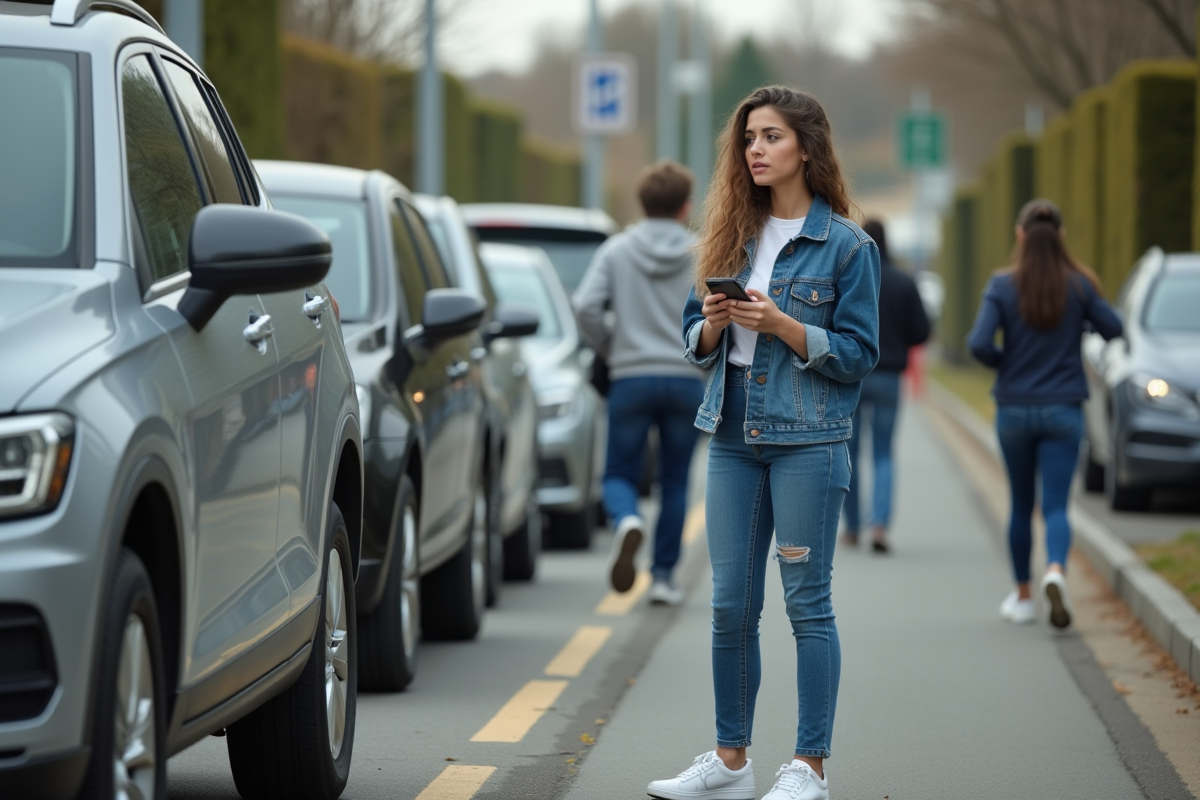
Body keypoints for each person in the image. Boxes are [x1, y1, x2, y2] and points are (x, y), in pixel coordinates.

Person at [647, 86, 879, 800]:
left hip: (809, 435)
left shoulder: (847, 245)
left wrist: (782, 325)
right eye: (749, 137)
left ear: (806, 148)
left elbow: (860, 353)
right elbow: (695, 339)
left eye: (771, 136)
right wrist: (716, 322)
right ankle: (731, 761)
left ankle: (809, 768)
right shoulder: (730, 234)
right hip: (732, 429)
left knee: (807, 604)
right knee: (729, 605)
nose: (755, 149)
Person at [967, 199, 1122, 628]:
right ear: (1062, 236)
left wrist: (1006, 364)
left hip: (1014, 409)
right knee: (1056, 506)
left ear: (1020, 235)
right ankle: (1055, 569)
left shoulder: (1001, 285)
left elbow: (979, 343)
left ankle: (1023, 597)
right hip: (1063, 411)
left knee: (1020, 505)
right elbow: (1115, 328)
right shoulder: (1080, 285)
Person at [573, 160, 705, 606]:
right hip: (687, 380)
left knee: (618, 472)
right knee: (676, 480)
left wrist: (614, 349)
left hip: (630, 377)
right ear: (686, 206)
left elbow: (586, 306)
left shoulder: (617, 250)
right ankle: (664, 576)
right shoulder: (702, 252)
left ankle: (627, 519)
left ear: (642, 202)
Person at [842, 218, 930, 554]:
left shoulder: (851, 278)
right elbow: (921, 332)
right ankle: (879, 525)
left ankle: (852, 527)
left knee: (850, 452)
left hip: (853, 375)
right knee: (883, 452)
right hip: (890, 376)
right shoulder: (904, 283)